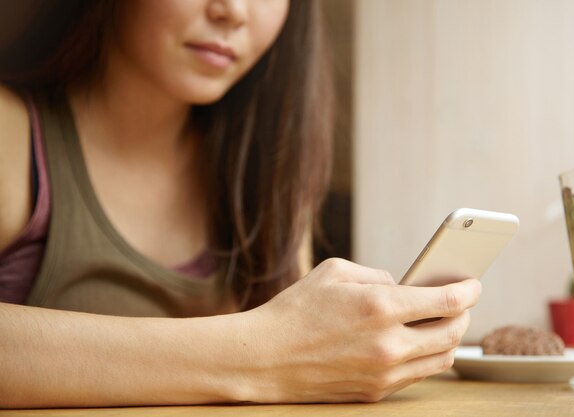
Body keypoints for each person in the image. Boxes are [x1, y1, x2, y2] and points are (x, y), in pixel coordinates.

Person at [0, 0, 481, 408]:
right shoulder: (13, 134)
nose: (232, 11)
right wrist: (263, 353)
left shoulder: (267, 169)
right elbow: (280, 358)